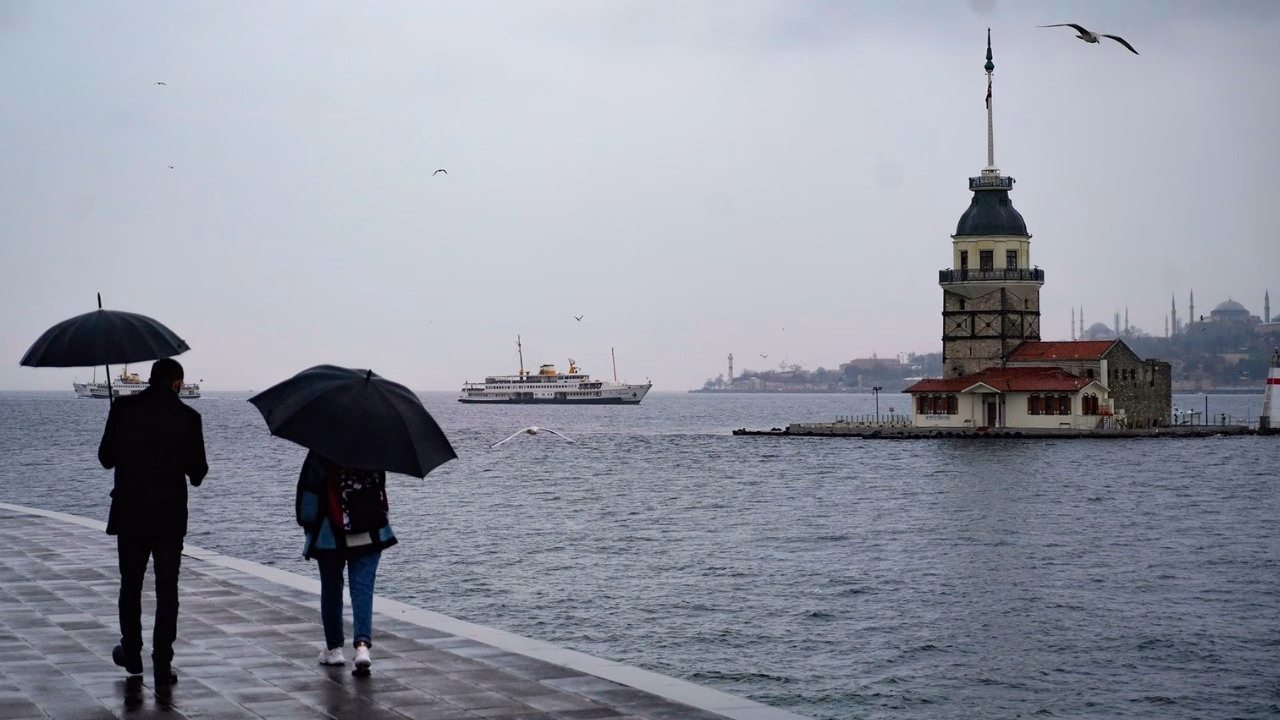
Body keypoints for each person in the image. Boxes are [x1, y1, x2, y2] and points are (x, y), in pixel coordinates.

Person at [98, 358, 208, 686]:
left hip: (130, 514)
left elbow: (106, 459)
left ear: (150, 378)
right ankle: (162, 661)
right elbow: (198, 472)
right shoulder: (189, 418)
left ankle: (132, 653)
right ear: (176, 382)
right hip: (170, 519)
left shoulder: (123, 409)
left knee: (130, 585)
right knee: (167, 590)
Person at [296, 450, 397, 674]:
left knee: (331, 588)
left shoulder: (322, 449)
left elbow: (309, 492)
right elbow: (379, 488)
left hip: (329, 533)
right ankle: (362, 647)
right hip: (370, 530)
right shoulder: (374, 450)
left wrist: (308, 527)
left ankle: (334, 650)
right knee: (363, 589)